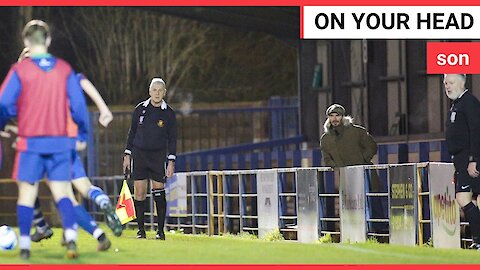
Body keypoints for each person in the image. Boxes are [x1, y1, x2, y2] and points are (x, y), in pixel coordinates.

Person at [0, 20, 89, 259]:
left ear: (26, 42)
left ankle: (26, 246)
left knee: (27, 193)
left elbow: (3, 103)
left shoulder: (20, 70)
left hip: (30, 143)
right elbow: (79, 105)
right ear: (48, 40)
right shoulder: (64, 69)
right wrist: (83, 133)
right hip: (59, 143)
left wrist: (3, 123)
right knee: (62, 192)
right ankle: (71, 239)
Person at [123, 77, 177, 240]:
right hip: (139, 155)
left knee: (158, 192)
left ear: (164, 92)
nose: (157, 93)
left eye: (160, 90)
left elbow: (172, 139)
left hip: (158, 156)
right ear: (149, 91)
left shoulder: (168, 113)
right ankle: (141, 230)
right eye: (154, 90)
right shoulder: (140, 109)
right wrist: (127, 154)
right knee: (139, 192)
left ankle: (160, 231)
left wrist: (171, 161)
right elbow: (132, 132)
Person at [444, 74, 480, 249]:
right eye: (445, 83)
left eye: (450, 83)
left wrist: (473, 159)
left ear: (461, 83)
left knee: (463, 198)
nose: (447, 86)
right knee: (472, 201)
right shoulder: (456, 104)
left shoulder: (469, 103)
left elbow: (476, 131)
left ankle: (478, 240)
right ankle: (477, 240)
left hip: (468, 160)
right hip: (460, 161)